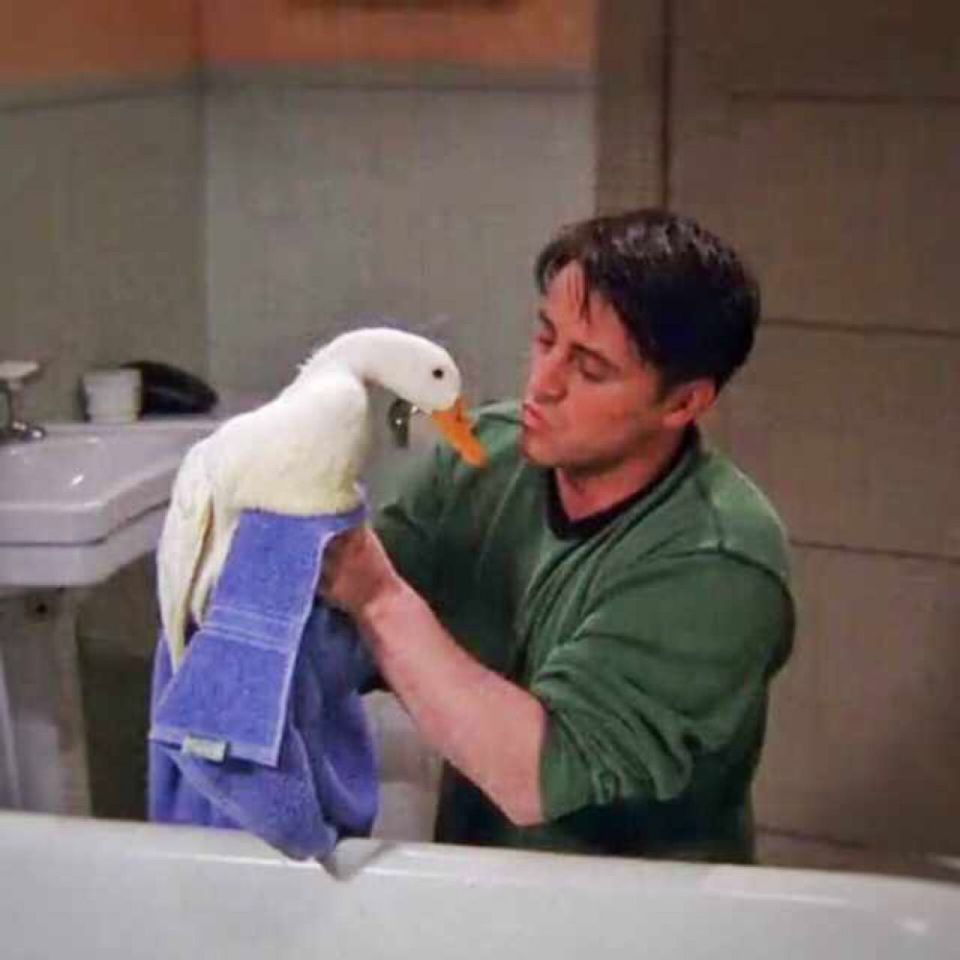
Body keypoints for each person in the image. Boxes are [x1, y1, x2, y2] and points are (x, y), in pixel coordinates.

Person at [321, 209, 794, 862]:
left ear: (683, 403)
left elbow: (532, 775)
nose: (543, 383)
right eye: (546, 339)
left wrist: (376, 598)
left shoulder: (719, 560)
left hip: (642, 903)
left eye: (590, 370)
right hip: (484, 878)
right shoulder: (481, 456)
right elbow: (341, 633)